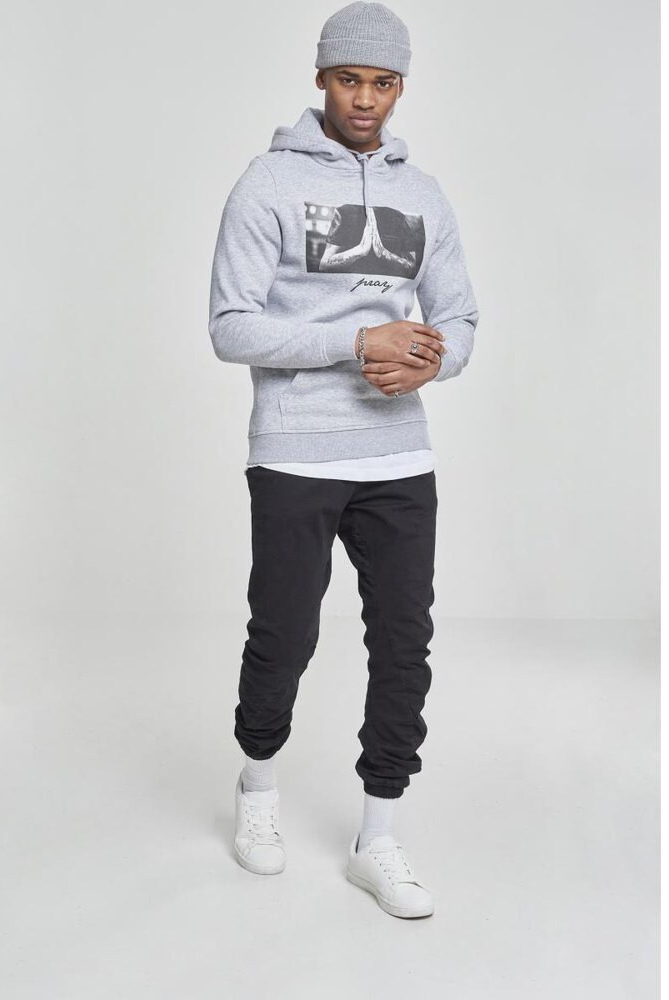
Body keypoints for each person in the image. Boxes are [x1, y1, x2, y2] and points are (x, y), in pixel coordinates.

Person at [207, 1, 478, 919]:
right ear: (322, 78)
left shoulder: (423, 193)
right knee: (285, 633)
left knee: (404, 641)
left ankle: (378, 835)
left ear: (401, 88)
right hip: (295, 450)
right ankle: (257, 785)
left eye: (384, 83)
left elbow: (460, 317)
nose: (366, 99)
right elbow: (230, 327)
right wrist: (358, 342)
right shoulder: (268, 182)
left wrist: (431, 360)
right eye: (350, 79)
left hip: (398, 452)